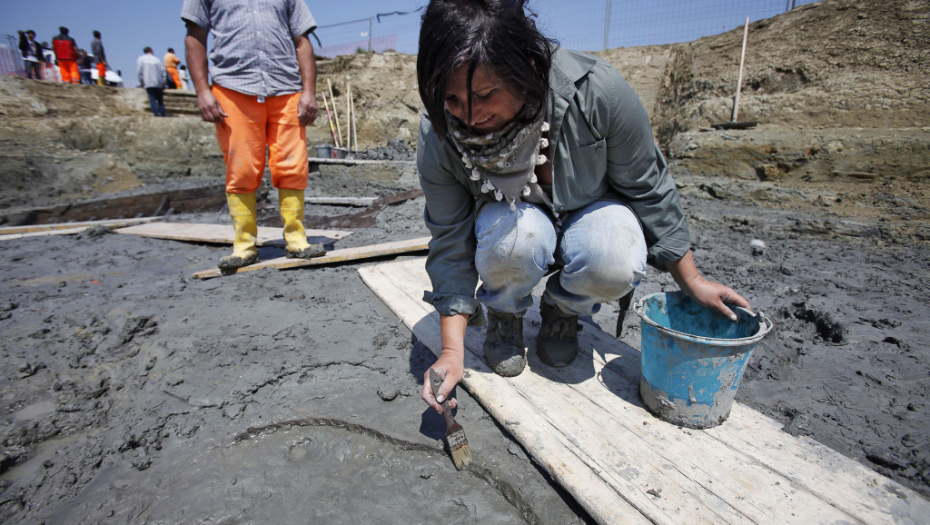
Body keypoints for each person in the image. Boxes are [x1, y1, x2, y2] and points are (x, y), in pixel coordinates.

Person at [416, 0, 752, 414]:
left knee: (615, 253)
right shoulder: (440, 131)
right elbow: (449, 237)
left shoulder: (597, 92)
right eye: (452, 99)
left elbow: (648, 186)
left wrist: (693, 280)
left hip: (588, 218)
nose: (469, 116)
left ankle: (563, 308)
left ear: (526, 65)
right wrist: (451, 350)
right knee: (516, 237)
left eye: (485, 95)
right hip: (515, 226)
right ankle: (505, 312)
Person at [182, 0, 325, 270]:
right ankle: (244, 246)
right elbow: (195, 36)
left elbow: (302, 40)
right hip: (233, 87)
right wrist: (202, 91)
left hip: (286, 87)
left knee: (292, 165)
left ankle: (296, 240)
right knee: (241, 168)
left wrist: (309, 92)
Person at [137, 47, 167, 116]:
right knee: (160, 101)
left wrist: (141, 82)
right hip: (158, 82)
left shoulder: (141, 59)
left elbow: (140, 71)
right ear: (151, 51)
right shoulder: (157, 59)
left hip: (148, 82)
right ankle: (163, 114)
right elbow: (163, 72)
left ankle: (156, 114)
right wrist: (163, 83)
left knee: (152, 99)